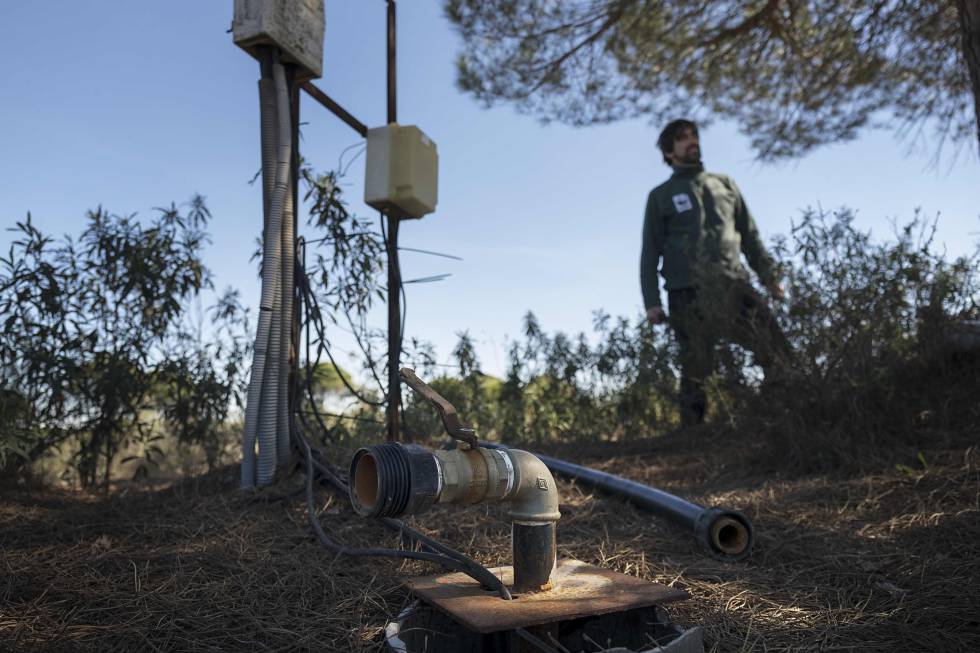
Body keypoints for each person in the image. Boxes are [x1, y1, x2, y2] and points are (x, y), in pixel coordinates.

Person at [640, 119, 791, 425]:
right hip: (686, 291)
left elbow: (750, 236)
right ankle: (692, 437)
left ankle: (771, 418)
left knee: (777, 349)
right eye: (682, 139)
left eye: (694, 136)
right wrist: (652, 302)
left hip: (733, 283)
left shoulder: (725, 184)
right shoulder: (661, 196)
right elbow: (650, 252)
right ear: (669, 152)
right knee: (696, 366)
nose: (691, 141)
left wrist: (770, 278)